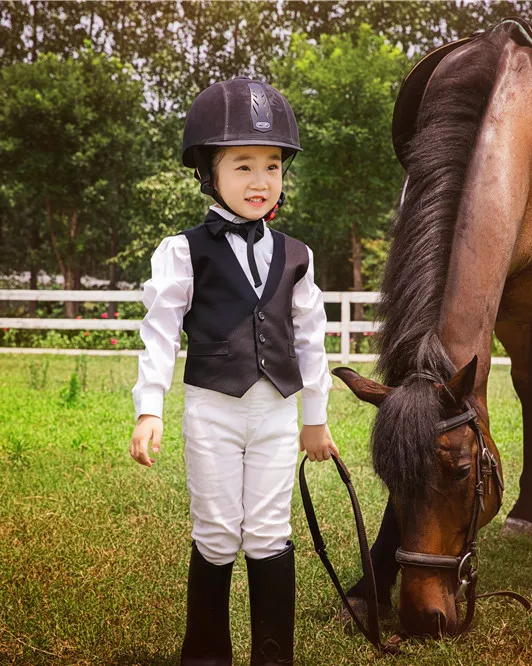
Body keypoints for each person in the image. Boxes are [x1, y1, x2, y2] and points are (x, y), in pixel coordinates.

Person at [129, 77, 337, 666]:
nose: (260, 180)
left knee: (270, 532)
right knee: (218, 530)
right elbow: (161, 331)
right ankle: (205, 655)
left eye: (272, 166)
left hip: (274, 410)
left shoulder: (298, 254)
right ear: (209, 174)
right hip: (213, 408)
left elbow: (309, 338)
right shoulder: (182, 250)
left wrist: (314, 419)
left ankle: (275, 657)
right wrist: (150, 407)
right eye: (243, 166)